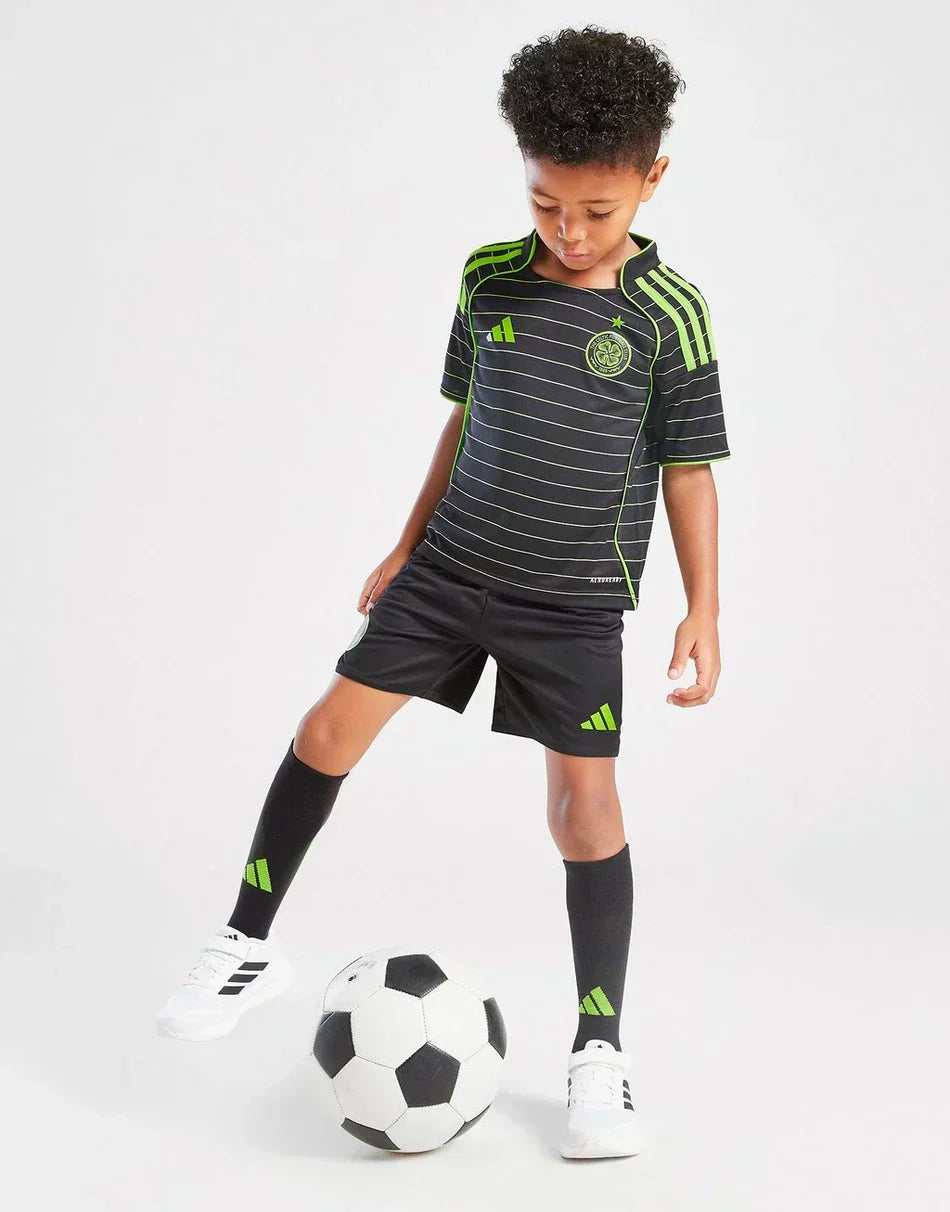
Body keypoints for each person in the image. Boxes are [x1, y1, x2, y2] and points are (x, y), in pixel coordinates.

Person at [157, 25, 731, 1160]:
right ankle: (247, 942)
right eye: (545, 204)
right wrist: (403, 544)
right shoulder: (487, 278)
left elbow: (687, 469)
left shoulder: (669, 315)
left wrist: (702, 608)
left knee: (583, 811)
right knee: (326, 729)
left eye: (597, 210)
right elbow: (466, 421)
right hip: (449, 571)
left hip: (572, 604)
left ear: (651, 179)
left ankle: (598, 1051)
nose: (569, 232)